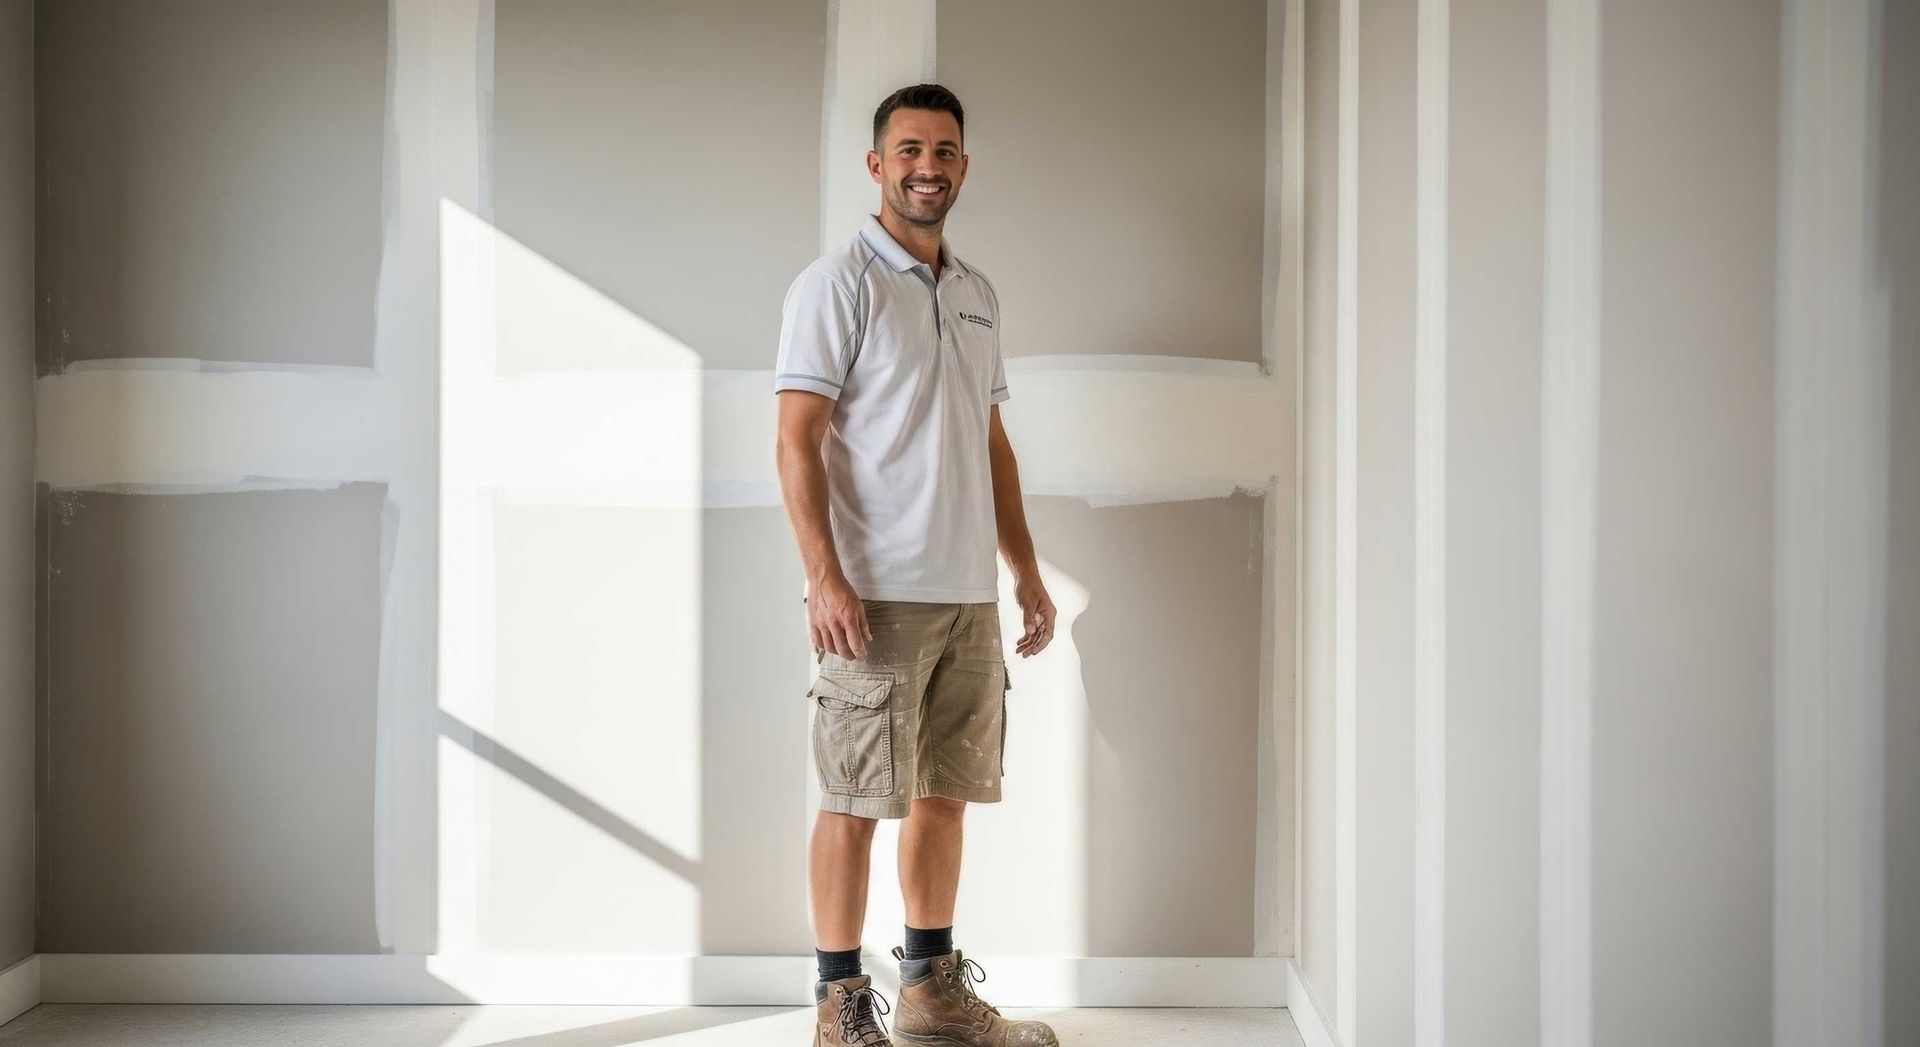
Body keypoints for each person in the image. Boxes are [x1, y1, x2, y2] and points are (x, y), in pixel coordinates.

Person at [772, 83, 1061, 1047]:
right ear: (877, 165)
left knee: (944, 795)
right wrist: (824, 575)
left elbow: (992, 444)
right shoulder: (836, 285)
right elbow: (797, 438)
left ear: (963, 166)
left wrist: (1023, 570)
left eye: (943, 151)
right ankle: (839, 1005)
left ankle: (931, 994)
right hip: (874, 597)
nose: (926, 168)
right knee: (854, 799)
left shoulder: (976, 294)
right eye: (908, 151)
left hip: (967, 596)